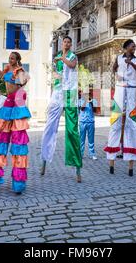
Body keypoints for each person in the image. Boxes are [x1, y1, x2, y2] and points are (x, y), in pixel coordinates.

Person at [0, 52, 30, 194]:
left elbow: (22, 83)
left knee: (18, 142)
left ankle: (18, 183)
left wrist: (15, 77)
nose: (10, 60)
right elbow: (2, 76)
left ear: (17, 60)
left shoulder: (20, 71)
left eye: (12, 58)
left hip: (17, 102)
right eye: (9, 58)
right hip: (8, 102)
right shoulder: (7, 69)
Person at [40, 36, 83, 182]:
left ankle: (77, 167)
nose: (67, 43)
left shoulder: (72, 56)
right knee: (49, 127)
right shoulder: (57, 58)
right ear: (62, 43)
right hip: (58, 93)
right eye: (65, 41)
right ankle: (44, 160)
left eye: (69, 42)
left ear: (71, 44)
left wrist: (62, 59)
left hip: (70, 94)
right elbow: (55, 76)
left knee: (72, 130)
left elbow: (71, 65)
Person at [104, 39, 136, 176]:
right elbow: (114, 67)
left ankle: (131, 160)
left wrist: (131, 63)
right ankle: (111, 158)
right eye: (132, 46)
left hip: (131, 90)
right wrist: (117, 72)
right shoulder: (119, 58)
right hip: (120, 89)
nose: (134, 48)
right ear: (126, 48)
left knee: (131, 123)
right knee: (115, 123)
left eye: (135, 47)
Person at [79, 90, 99, 160]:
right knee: (81, 139)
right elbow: (81, 108)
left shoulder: (94, 101)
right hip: (82, 122)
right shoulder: (80, 100)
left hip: (91, 122)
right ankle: (80, 154)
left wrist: (91, 102)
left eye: (89, 94)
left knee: (91, 139)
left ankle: (92, 154)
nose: (87, 95)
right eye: (85, 94)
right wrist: (85, 101)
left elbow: (95, 111)